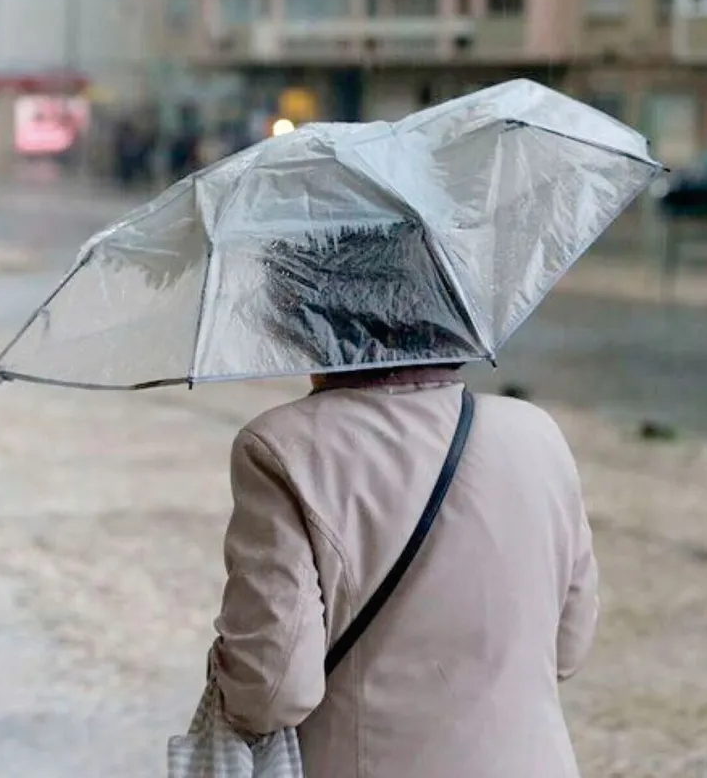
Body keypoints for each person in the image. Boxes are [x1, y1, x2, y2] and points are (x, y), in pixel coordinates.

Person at [207, 220, 600, 777]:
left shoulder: (283, 448)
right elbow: (570, 644)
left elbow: (273, 690)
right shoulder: (537, 433)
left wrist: (224, 671)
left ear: (303, 317)